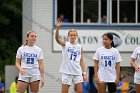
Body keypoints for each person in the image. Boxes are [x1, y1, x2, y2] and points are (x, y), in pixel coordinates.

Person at [55, 18, 87, 93]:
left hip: (77, 72)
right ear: (68, 36)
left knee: (79, 91)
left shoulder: (79, 47)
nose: (73, 36)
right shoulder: (65, 44)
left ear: (76, 36)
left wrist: (84, 73)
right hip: (67, 72)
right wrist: (57, 28)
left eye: (74, 35)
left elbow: (81, 61)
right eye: (71, 35)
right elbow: (57, 39)